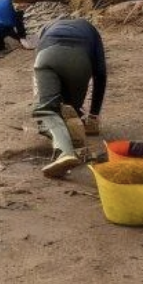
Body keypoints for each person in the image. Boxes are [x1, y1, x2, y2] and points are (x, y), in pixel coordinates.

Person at [31, 16, 107, 179]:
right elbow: (100, 74)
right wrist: (93, 115)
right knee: (71, 109)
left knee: (47, 110)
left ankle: (64, 151)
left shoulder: (47, 26)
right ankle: (73, 142)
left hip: (47, 57)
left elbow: (37, 66)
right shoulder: (90, 29)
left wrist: (44, 102)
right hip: (78, 61)